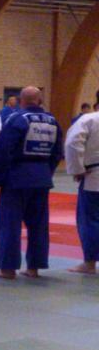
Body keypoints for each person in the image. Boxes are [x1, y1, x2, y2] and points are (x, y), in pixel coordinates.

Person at [0, 86, 63, 280]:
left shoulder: (17, 119)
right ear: (40, 101)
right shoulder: (53, 121)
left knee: (9, 223)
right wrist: (47, 172)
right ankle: (34, 267)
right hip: (42, 177)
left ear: (21, 101)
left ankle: (8, 269)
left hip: (17, 177)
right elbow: (57, 152)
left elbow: (4, 148)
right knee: (38, 224)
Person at [65, 96, 99, 275]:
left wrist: (77, 169)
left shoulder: (89, 119)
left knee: (90, 219)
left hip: (94, 175)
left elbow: (73, 143)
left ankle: (89, 263)